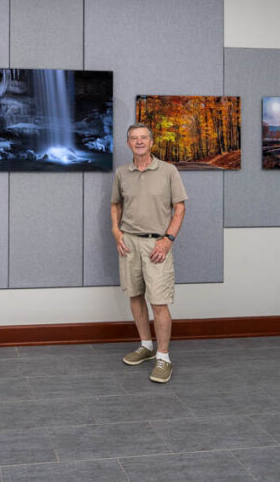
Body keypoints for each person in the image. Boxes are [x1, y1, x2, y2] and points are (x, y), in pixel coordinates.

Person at [110, 122, 187, 383]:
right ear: (128, 143)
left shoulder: (168, 171)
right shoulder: (122, 172)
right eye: (134, 138)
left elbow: (179, 209)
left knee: (159, 302)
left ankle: (163, 357)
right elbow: (115, 204)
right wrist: (116, 231)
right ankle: (146, 346)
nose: (139, 141)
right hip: (129, 243)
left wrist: (168, 240)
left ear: (151, 142)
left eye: (143, 137)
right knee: (134, 296)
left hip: (157, 244)